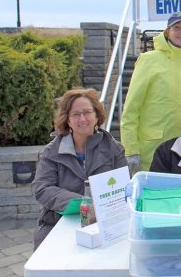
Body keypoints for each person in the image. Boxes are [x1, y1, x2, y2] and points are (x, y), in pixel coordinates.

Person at [32, 88, 127, 249]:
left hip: (103, 225)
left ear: (97, 116)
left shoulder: (114, 149)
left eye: (87, 112)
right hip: (57, 223)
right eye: (75, 114)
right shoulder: (52, 151)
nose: (82, 118)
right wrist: (83, 204)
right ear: (67, 120)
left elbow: (124, 189)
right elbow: (42, 188)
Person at [121, 12, 181, 172]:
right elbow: (131, 108)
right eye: (177, 27)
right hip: (152, 150)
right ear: (167, 31)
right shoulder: (148, 60)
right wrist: (131, 149)